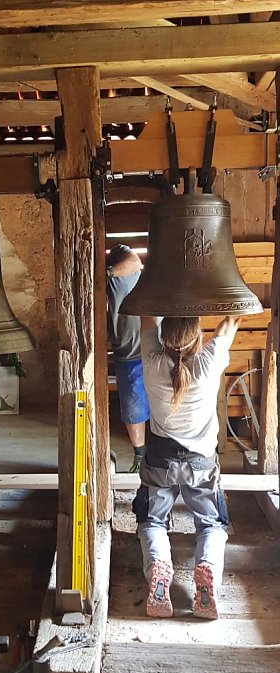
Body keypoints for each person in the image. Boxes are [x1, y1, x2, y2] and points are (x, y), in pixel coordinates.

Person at [132, 314, 240, 620]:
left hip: (160, 459)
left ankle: (159, 570)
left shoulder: (152, 362)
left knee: (152, 521)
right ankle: (206, 570)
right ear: (198, 338)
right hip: (201, 461)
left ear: (165, 339)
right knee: (212, 524)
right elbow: (231, 319)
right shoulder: (208, 362)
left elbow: (146, 317)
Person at [107, 244, 150, 473]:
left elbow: (134, 261)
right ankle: (139, 456)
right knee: (134, 410)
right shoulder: (109, 283)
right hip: (128, 354)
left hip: (152, 351)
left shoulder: (128, 266)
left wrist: (107, 273)